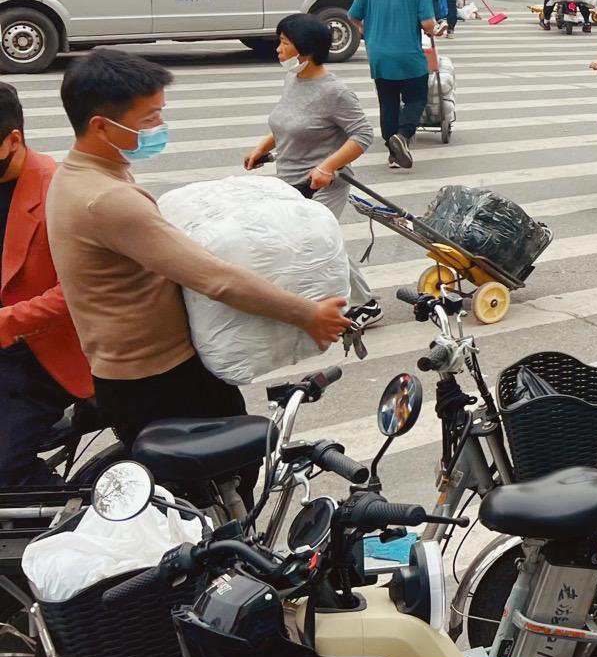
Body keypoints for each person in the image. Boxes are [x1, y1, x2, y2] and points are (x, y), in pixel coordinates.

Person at [46, 50, 351, 447]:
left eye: (161, 112)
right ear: (101, 127)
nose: (161, 125)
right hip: (159, 379)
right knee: (231, 475)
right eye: (149, 118)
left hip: (131, 371)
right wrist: (307, 314)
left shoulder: (75, 176)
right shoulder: (105, 200)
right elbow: (215, 279)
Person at [242, 14, 380, 319]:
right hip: (289, 181)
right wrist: (261, 149)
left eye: (284, 43)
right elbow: (286, 123)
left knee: (320, 241)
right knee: (305, 241)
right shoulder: (292, 79)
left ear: (304, 50)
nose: (278, 49)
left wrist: (327, 167)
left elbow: (363, 134)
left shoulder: (335, 92)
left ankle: (366, 304)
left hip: (324, 185)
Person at [0, 83, 92, 486]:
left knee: (5, 468)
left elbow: (77, 292)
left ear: (12, 140)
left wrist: (5, 321)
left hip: (43, 358)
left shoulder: (58, 191)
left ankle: (69, 526)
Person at [348, 0, 439, 170]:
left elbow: (353, 16)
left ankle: (393, 153)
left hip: (379, 55)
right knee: (416, 98)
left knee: (387, 102)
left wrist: (369, 31)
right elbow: (428, 24)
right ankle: (403, 135)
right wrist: (433, 30)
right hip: (408, 54)